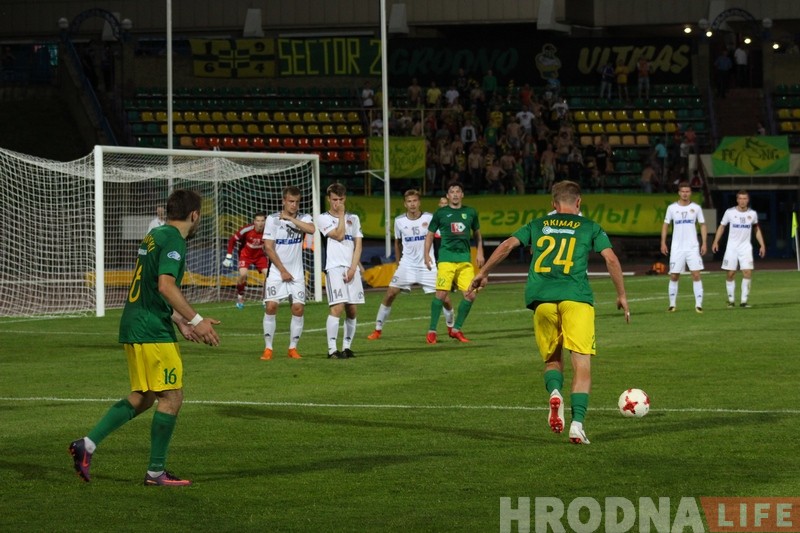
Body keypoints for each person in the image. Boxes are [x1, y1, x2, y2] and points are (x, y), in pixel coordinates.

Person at [69, 189, 220, 486]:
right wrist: (197, 320)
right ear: (194, 215)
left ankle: (86, 444)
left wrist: (178, 319)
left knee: (145, 396)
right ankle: (155, 472)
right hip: (151, 329)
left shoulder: (155, 235)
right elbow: (165, 286)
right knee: (172, 397)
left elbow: (151, 287)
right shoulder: (174, 239)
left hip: (137, 322)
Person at [468, 180, 630, 445]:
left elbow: (507, 245)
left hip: (541, 300)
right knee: (581, 364)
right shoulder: (589, 226)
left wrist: (483, 273)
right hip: (576, 299)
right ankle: (577, 424)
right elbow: (611, 259)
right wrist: (621, 294)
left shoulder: (538, 224)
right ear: (579, 202)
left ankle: (555, 392)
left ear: (554, 204)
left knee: (552, 359)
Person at [367, 190, 455, 340]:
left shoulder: (429, 218)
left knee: (444, 298)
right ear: (405, 204)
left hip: (427, 264)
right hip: (407, 265)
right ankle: (377, 329)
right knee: (390, 294)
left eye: (415, 201)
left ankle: (451, 328)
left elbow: (441, 237)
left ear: (419, 202)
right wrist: (397, 263)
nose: (412, 204)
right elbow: (397, 242)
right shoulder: (399, 221)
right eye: (409, 201)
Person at [423, 181, 484, 344]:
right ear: (448, 196)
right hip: (446, 259)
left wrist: (480, 251)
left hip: (464, 259)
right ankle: (432, 331)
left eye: (458, 191)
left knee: (471, 295)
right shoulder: (440, 213)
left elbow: (477, 233)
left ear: (462, 195)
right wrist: (426, 255)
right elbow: (430, 235)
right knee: (441, 294)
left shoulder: (470, 212)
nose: (455, 194)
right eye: (452, 192)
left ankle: (456, 329)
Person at [261, 186, 316, 360]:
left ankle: (292, 348)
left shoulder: (304, 218)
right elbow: (268, 248)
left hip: (297, 273)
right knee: (271, 306)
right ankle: (268, 348)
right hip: (277, 272)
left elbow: (312, 229)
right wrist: (283, 270)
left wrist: (290, 219)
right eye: (291, 201)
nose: (294, 205)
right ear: (283, 201)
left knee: (298, 308)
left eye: (297, 202)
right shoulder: (272, 220)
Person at [316, 183, 364, 359]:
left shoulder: (354, 218)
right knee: (337, 307)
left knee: (352, 309)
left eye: (341, 199)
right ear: (329, 199)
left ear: (345, 199)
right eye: (335, 199)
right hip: (334, 268)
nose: (338, 203)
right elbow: (339, 235)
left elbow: (358, 245)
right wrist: (342, 215)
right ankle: (332, 350)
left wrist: (353, 268)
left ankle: (347, 347)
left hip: (351, 268)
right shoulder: (323, 218)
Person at [711, 190, 766, 308]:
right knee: (731, 274)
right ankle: (731, 300)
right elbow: (722, 227)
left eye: (745, 198)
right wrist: (715, 241)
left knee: (747, 272)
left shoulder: (752, 214)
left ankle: (744, 301)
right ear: (737, 200)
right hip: (732, 248)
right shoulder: (730, 212)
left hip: (745, 248)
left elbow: (756, 229)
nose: (742, 201)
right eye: (740, 198)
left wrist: (762, 244)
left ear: (748, 200)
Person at [661, 182, 707, 313]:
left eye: (687, 191)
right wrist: (663, 242)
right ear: (679, 193)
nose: (685, 194)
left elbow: (702, 225)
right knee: (674, 275)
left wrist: (704, 242)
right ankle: (672, 304)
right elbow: (665, 225)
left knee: (696, 274)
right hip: (677, 247)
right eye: (683, 191)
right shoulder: (672, 208)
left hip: (692, 247)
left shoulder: (696, 208)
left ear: (690, 193)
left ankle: (698, 305)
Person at [223, 212, 269, 309]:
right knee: (243, 275)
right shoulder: (247, 229)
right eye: (258, 221)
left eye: (262, 221)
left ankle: (266, 299)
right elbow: (232, 240)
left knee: (268, 276)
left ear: (265, 222)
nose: (260, 223)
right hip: (245, 255)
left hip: (260, 256)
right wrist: (228, 256)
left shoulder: (268, 230)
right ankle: (240, 297)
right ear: (254, 221)